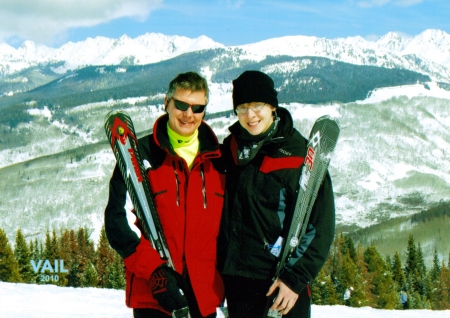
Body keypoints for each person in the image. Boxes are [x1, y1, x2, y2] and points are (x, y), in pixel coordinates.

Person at [105, 72, 225, 318]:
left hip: (204, 297)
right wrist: (155, 272)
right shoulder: (141, 157)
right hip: (155, 296)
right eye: (181, 104)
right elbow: (118, 221)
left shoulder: (219, 162)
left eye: (198, 107)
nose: (188, 114)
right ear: (166, 102)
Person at [217, 70, 336, 318]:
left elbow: (320, 227)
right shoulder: (230, 150)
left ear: (272, 106)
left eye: (257, 105)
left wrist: (295, 279)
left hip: (282, 286)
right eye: (242, 107)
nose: (250, 115)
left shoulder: (299, 155)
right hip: (238, 285)